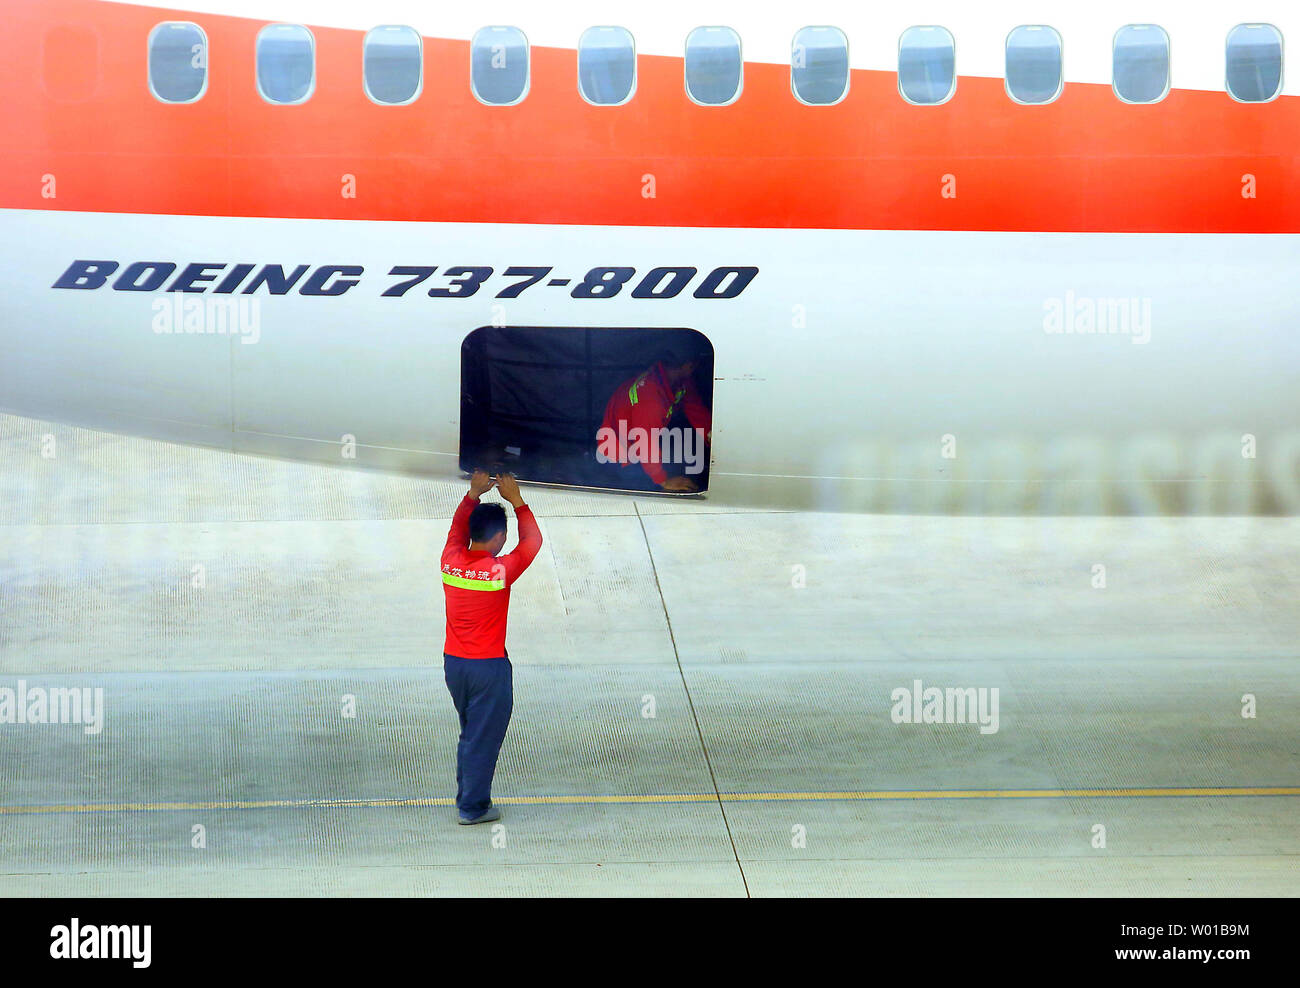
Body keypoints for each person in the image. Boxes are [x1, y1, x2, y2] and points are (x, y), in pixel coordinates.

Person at [440, 469, 543, 825]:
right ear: (499, 538)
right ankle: (472, 807)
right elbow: (533, 543)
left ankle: (468, 796)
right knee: (481, 739)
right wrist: (517, 499)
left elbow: (456, 530)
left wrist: (473, 494)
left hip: (455, 664)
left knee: (472, 733)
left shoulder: (450, 561)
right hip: (487, 668)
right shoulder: (498, 572)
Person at [597, 351, 712, 492]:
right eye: (695, 367)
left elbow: (695, 408)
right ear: (688, 366)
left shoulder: (675, 380)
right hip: (619, 455)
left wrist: (711, 436)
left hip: (639, 445)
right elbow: (645, 441)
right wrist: (663, 481)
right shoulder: (650, 398)